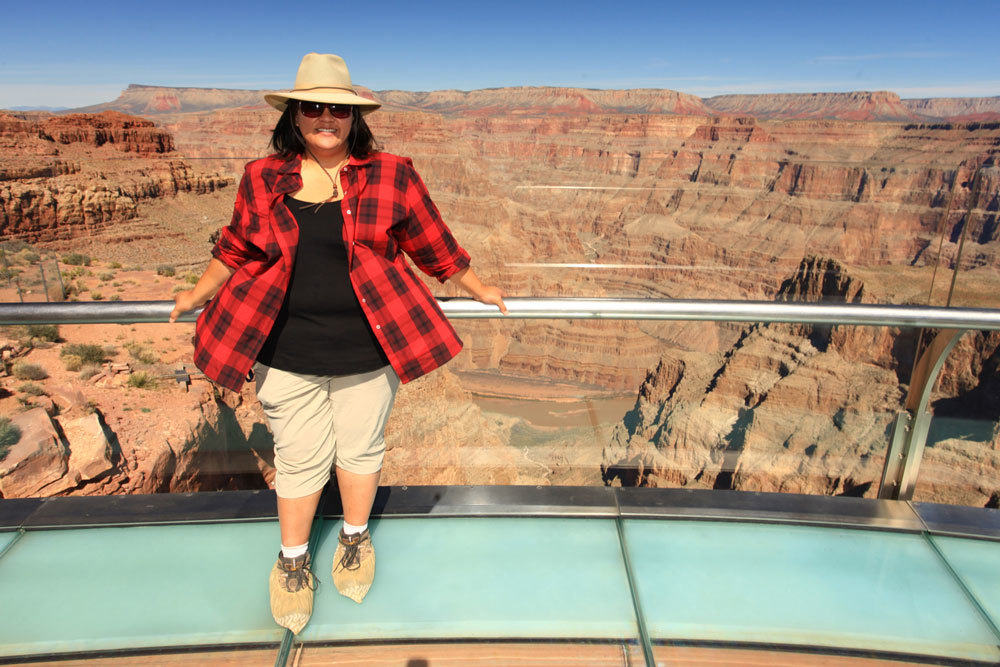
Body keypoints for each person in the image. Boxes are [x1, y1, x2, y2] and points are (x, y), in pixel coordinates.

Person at [170, 52, 506, 634]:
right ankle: (293, 561)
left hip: (370, 348)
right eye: (313, 108)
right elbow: (237, 248)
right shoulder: (262, 177)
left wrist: (475, 284)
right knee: (299, 459)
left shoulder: (392, 173)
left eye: (338, 110)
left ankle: (354, 540)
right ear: (295, 116)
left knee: (360, 449)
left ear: (355, 118)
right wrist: (195, 295)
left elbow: (432, 241)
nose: (326, 117)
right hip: (284, 349)